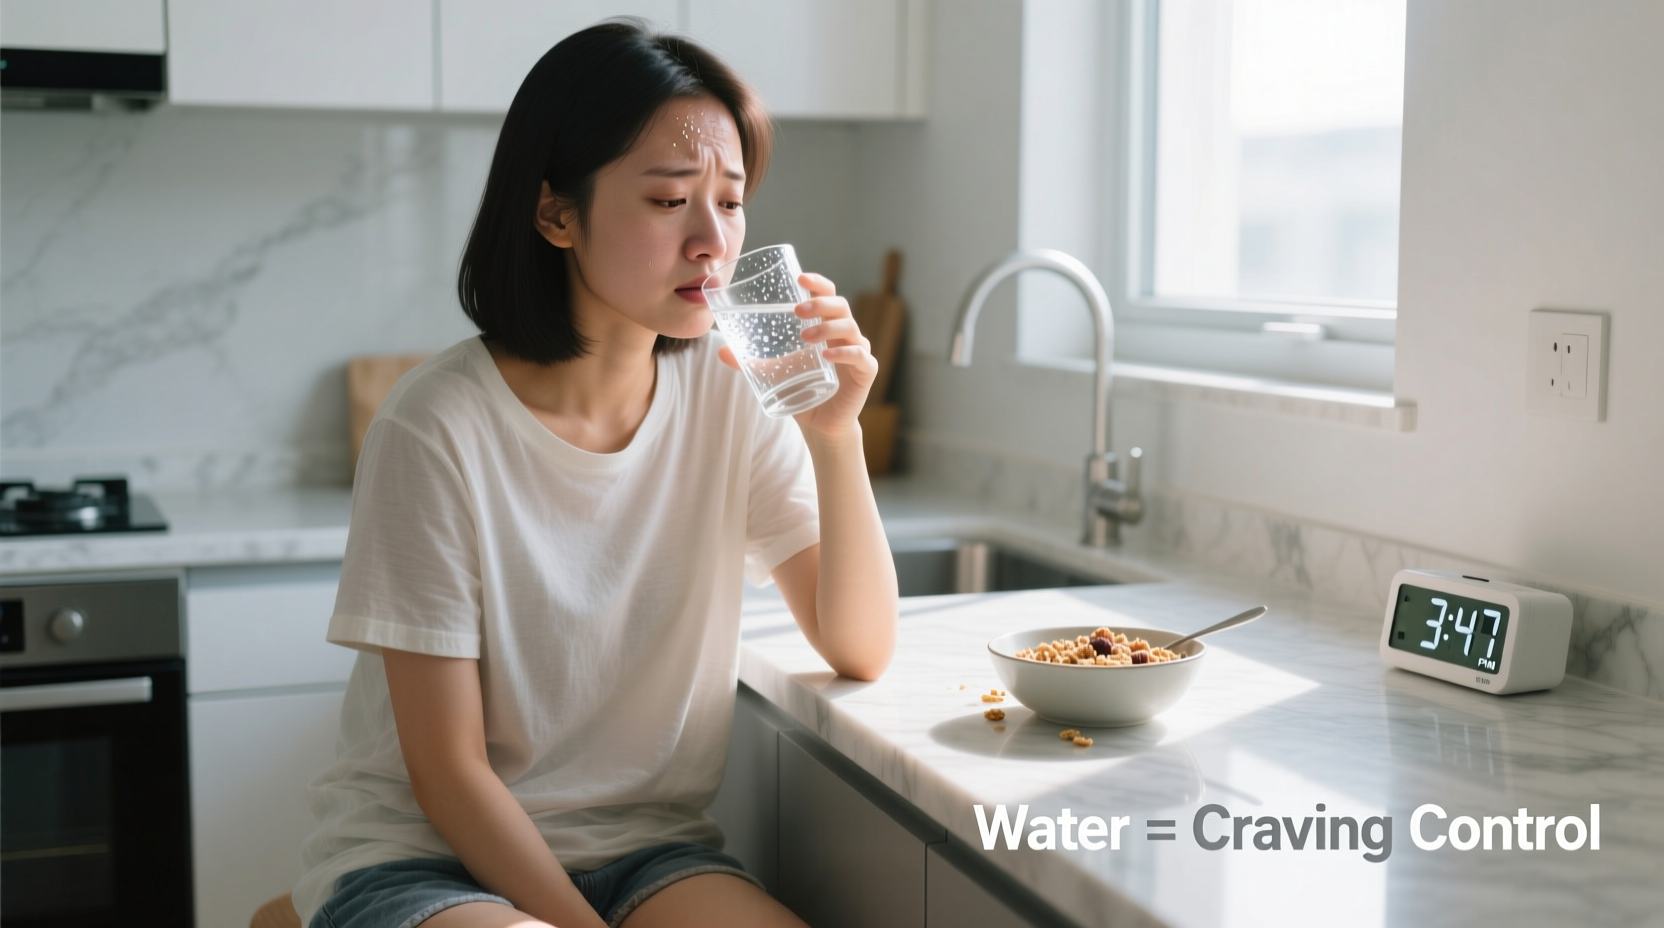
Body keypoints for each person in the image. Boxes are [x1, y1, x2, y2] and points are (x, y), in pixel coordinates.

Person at [292, 20, 898, 928]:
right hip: (426, 863)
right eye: (667, 202)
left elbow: (860, 645)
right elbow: (447, 773)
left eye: (730, 203)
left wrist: (835, 435)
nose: (712, 241)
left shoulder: (734, 393)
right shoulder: (435, 425)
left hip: (649, 855)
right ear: (556, 214)